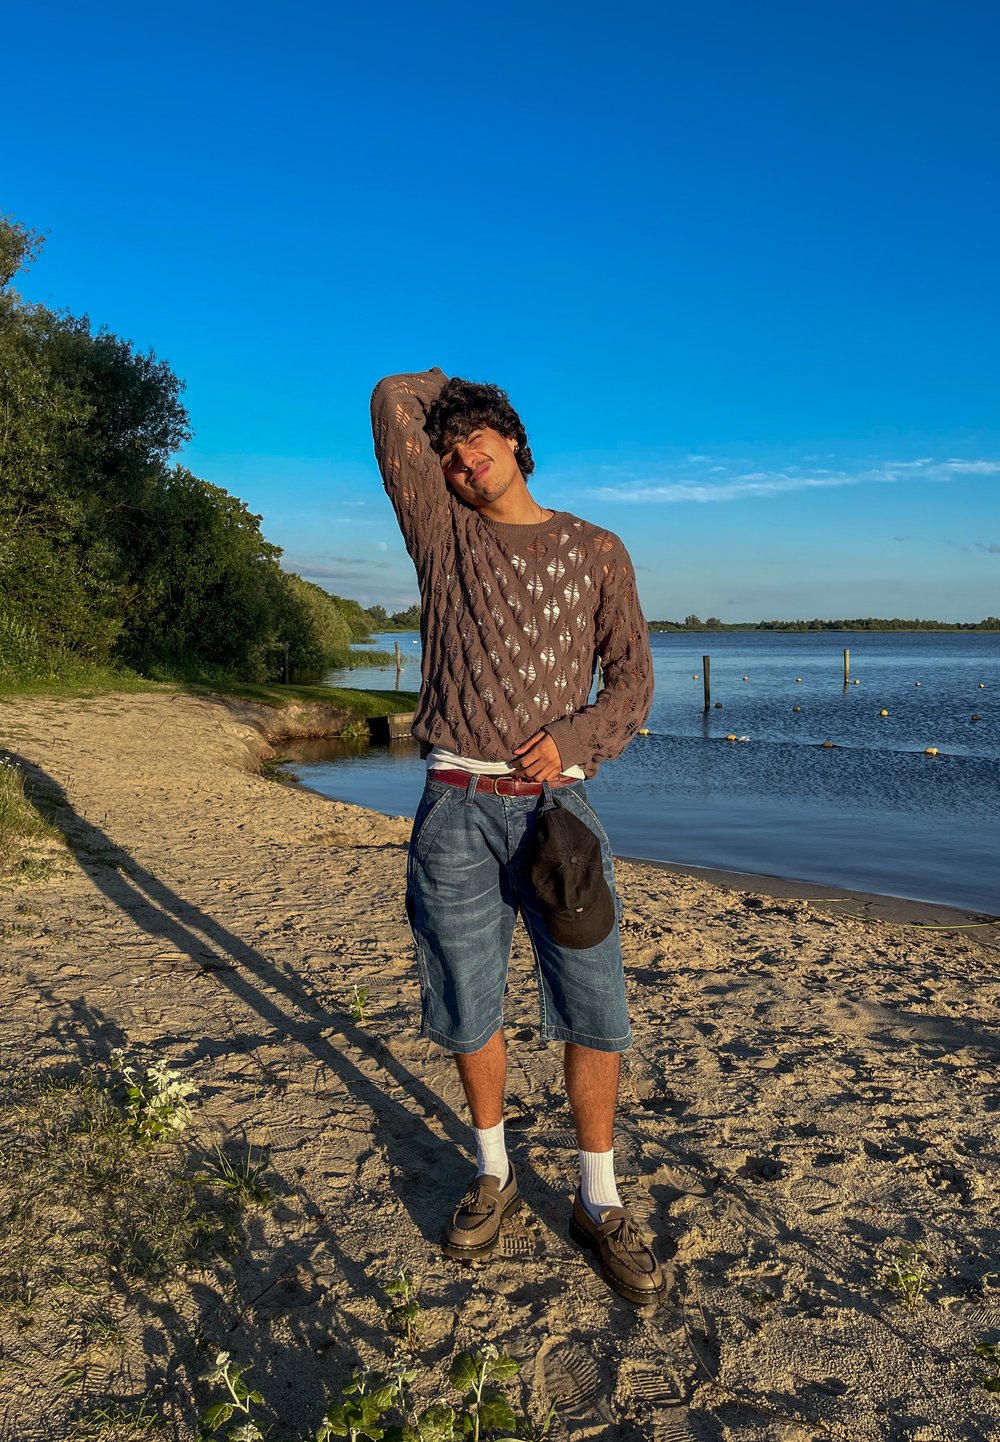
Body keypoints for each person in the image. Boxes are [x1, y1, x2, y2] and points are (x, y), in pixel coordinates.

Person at [370, 368, 663, 1305]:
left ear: (513, 439)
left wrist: (575, 740)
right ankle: (492, 1171)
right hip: (453, 810)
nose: (463, 458)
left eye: (477, 436)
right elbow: (389, 399)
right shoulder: (442, 535)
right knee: (468, 1003)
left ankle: (598, 1198)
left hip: (556, 817)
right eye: (448, 449)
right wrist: (446, 390)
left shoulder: (597, 549)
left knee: (596, 1005)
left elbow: (633, 684)